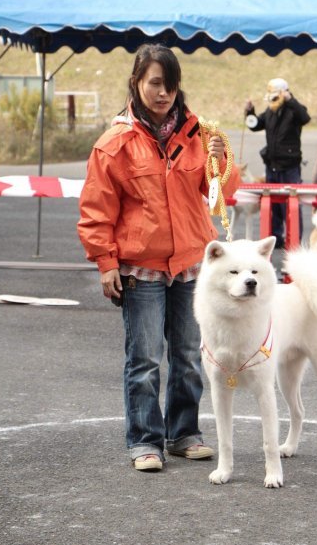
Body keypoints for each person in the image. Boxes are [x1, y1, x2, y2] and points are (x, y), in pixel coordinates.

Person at [77, 44, 240, 471]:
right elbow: (97, 210)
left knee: (187, 356)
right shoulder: (114, 143)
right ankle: (144, 441)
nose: (163, 93)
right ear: (136, 83)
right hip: (139, 269)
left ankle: (184, 433)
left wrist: (223, 163)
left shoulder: (200, 135)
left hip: (190, 264)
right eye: (154, 84)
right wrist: (105, 262)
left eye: (169, 85)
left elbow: (224, 190)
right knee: (145, 359)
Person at [244, 78, 310, 248]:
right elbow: (256, 125)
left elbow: (305, 117)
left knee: (291, 203)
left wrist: (290, 100)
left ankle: (294, 240)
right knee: (273, 203)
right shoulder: (270, 110)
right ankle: (276, 238)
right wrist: (250, 112)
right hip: (271, 165)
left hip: (290, 167)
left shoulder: (294, 110)